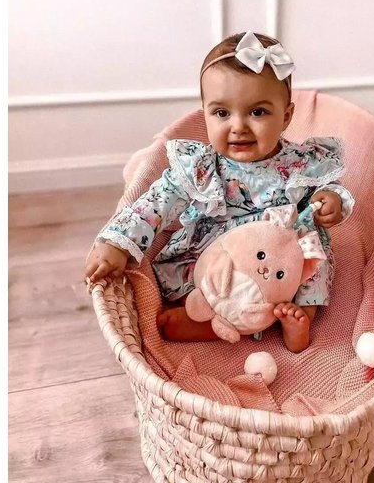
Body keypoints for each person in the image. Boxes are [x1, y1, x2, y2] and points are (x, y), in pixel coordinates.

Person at [85, 31, 355, 352]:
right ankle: (210, 317)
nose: (238, 126)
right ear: (205, 114)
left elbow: (326, 190)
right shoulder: (201, 167)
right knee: (197, 276)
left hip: (277, 262)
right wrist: (117, 243)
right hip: (219, 255)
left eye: (257, 112)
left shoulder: (299, 162)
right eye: (222, 113)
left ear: (285, 117)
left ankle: (299, 318)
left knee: (314, 254)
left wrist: (332, 200)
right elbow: (155, 203)